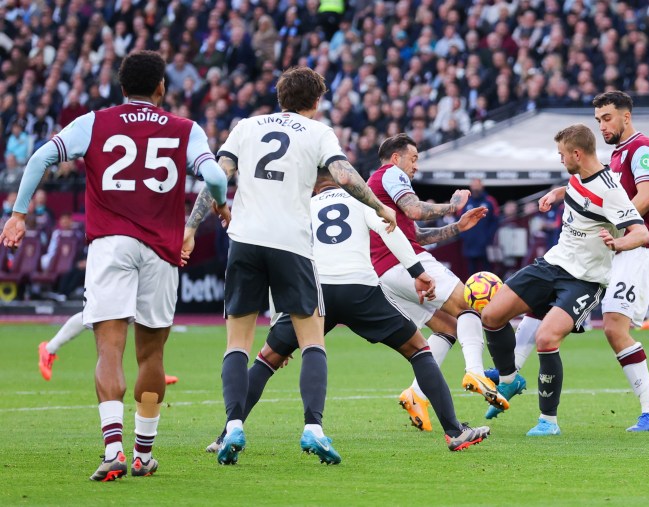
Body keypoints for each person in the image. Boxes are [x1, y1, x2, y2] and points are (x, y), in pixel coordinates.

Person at [1, 50, 229, 481]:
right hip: (161, 249)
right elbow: (214, 176)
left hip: (110, 245)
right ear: (162, 87)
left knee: (109, 348)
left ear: (121, 88)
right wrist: (218, 203)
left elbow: (38, 160)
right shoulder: (186, 129)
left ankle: (113, 451)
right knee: (152, 353)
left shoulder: (95, 122)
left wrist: (18, 213)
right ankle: (143, 454)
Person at [205, 168, 490, 454]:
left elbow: (282, 260)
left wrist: (280, 317)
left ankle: (226, 434)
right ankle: (454, 432)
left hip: (314, 294)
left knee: (266, 361)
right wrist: (418, 271)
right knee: (419, 350)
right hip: (360, 291)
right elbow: (390, 231)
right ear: (338, 178)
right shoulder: (360, 199)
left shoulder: (300, 207)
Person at [197, 66, 396, 465]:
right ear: (317, 101)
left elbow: (218, 176)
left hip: (246, 241)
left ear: (279, 95)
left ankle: (234, 425)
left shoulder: (246, 126)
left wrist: (195, 222)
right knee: (312, 340)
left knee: (238, 342)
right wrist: (378, 205)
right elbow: (343, 174)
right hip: (291, 244)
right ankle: (313, 428)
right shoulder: (319, 132)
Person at [493, 91, 649, 431]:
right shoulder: (616, 155)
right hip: (606, 247)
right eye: (598, 119)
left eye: (607, 118)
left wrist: (614, 223)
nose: (602, 125)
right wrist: (565, 192)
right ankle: (508, 370)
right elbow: (594, 187)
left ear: (625, 117)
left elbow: (644, 199)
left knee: (615, 329)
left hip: (633, 249)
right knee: (542, 304)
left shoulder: (643, 149)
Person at [365, 134, 499, 432]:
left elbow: (416, 233)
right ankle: (475, 372)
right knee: (469, 303)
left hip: (387, 273)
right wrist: (452, 205)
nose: (415, 167)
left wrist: (457, 226)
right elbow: (415, 210)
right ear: (397, 158)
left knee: (447, 326)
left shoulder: (375, 186)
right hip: (406, 263)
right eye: (413, 159)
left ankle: (415, 394)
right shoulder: (391, 174)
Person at [38, 312, 179, 385]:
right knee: (95, 314)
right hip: (110, 262)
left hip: (135, 261)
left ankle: (153, 371)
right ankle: (49, 349)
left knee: (146, 310)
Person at [459, 178, 500, 274]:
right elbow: (459, 219)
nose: (476, 187)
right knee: (471, 270)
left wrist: (489, 236)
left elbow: (495, 220)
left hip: (485, 243)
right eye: (474, 185)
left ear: (482, 186)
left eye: (477, 185)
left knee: (487, 270)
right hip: (469, 243)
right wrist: (464, 236)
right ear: (471, 187)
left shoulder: (490, 201)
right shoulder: (466, 202)